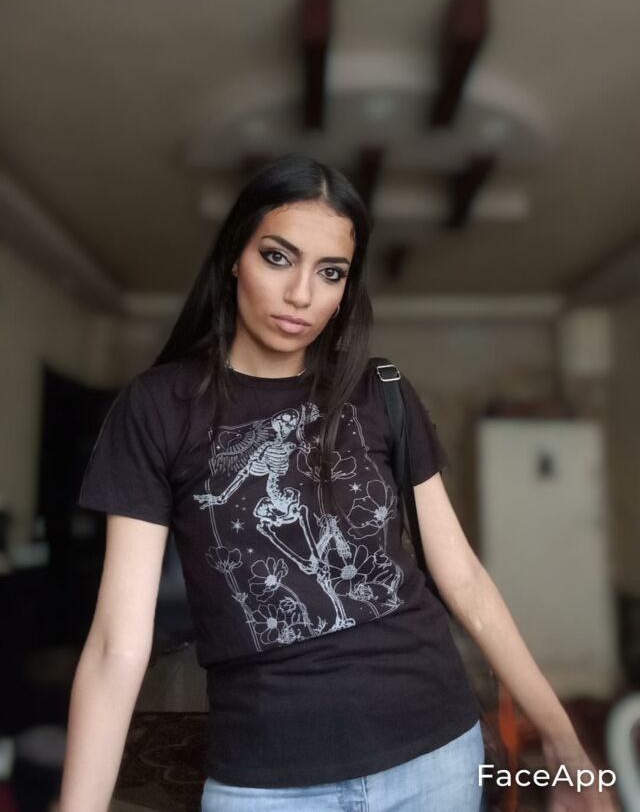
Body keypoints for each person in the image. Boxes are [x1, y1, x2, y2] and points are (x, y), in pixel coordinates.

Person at [58, 154, 616, 812]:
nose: (301, 294)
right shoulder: (158, 408)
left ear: (347, 288)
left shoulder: (381, 393)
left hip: (437, 754)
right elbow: (116, 644)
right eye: (278, 257)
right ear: (235, 256)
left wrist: (564, 742)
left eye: (331, 272)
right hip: (263, 781)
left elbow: (463, 578)